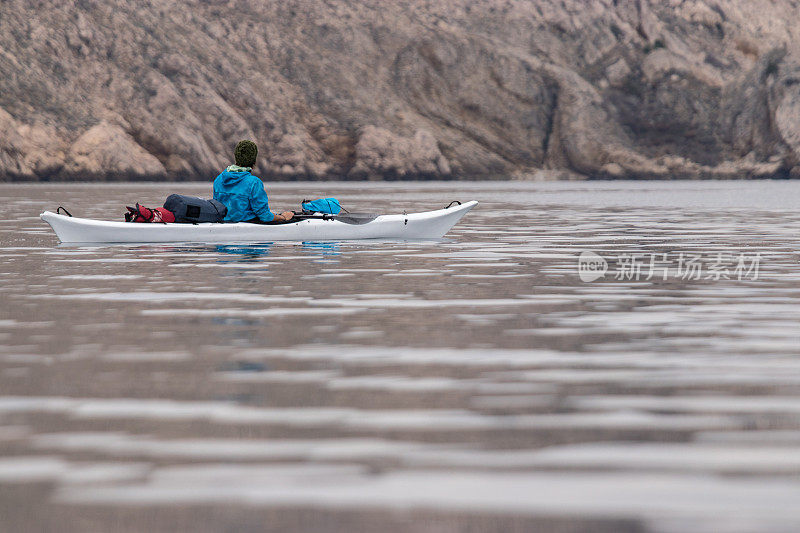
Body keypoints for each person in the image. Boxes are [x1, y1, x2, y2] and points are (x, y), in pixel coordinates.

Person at [212, 140, 294, 223]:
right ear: (254, 160)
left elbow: (216, 209)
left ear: (236, 157)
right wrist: (283, 217)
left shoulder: (219, 179)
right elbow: (264, 216)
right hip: (247, 226)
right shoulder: (254, 183)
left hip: (224, 224)